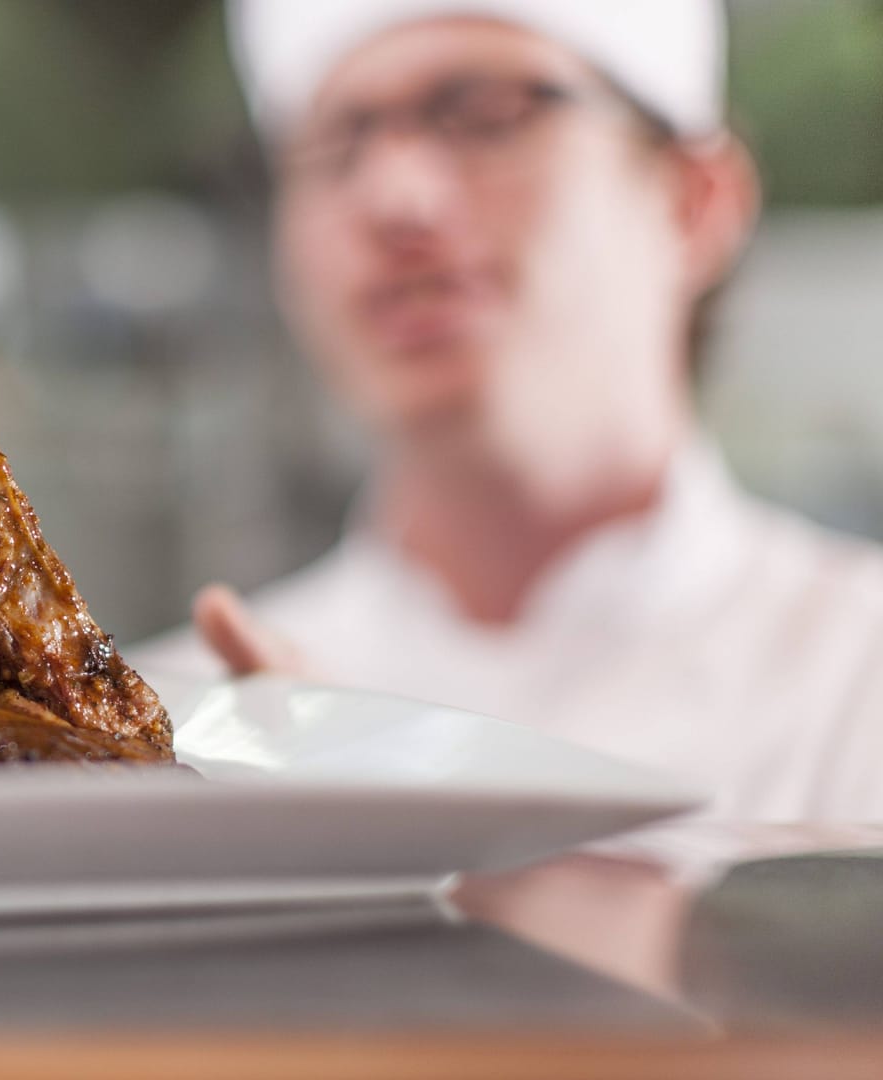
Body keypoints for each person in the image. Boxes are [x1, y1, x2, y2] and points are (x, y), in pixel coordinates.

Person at [137, 0, 883, 821]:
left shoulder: (856, 681)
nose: (395, 195)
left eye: (488, 116)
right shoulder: (166, 726)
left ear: (693, 202)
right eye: (336, 146)